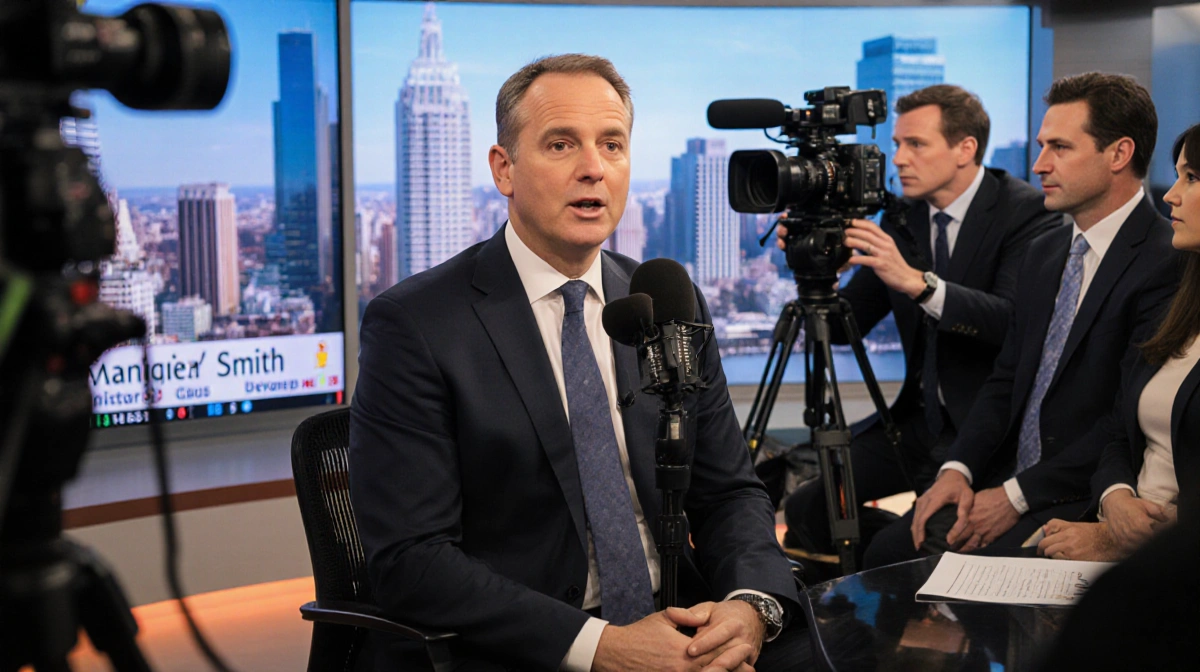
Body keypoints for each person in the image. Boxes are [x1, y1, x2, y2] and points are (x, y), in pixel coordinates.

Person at [348, 54, 803, 672]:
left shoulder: (667, 298)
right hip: (525, 648)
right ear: (504, 169)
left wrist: (750, 607)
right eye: (561, 145)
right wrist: (603, 649)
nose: (593, 169)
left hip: (685, 633)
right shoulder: (416, 325)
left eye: (612, 145)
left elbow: (727, 492)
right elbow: (412, 559)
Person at [869, 72, 1182, 569]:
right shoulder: (1045, 251)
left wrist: (1014, 496)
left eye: (1059, 147)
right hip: (1007, 475)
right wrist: (959, 468)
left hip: (1083, 495)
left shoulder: (1168, 259)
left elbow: (1123, 417)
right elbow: (1007, 379)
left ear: (1119, 154)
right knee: (889, 551)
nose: (1039, 165)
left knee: (913, 568)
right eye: (1041, 146)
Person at [780, 84, 1059, 565]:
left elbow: (1009, 322)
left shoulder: (1024, 213)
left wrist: (916, 282)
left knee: (890, 553)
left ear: (964, 149)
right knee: (808, 509)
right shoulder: (902, 218)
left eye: (916, 144)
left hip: (988, 434)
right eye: (896, 145)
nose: (900, 159)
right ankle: (898, 550)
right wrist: (817, 267)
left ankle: (900, 558)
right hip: (916, 424)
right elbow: (848, 326)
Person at [1037, 123, 1200, 563]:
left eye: (1193, 178)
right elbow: (1119, 430)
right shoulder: (1181, 301)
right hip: (1120, 529)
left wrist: (1114, 539)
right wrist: (1115, 498)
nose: (1171, 194)